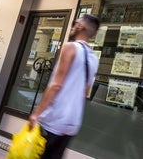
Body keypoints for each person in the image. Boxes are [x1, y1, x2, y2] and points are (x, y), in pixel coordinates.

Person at [29, 14, 100, 159]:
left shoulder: (70, 47)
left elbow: (56, 85)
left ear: (80, 27)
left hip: (54, 119)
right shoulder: (94, 58)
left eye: (75, 23)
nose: (73, 26)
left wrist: (36, 113)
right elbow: (85, 92)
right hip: (72, 123)